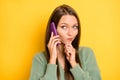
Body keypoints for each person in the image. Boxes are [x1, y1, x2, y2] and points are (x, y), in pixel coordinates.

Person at [29, 4, 101, 80]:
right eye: (64, 27)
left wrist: (74, 64)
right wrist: (52, 60)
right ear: (53, 29)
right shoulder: (40, 59)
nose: (71, 33)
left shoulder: (86, 53)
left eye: (74, 27)